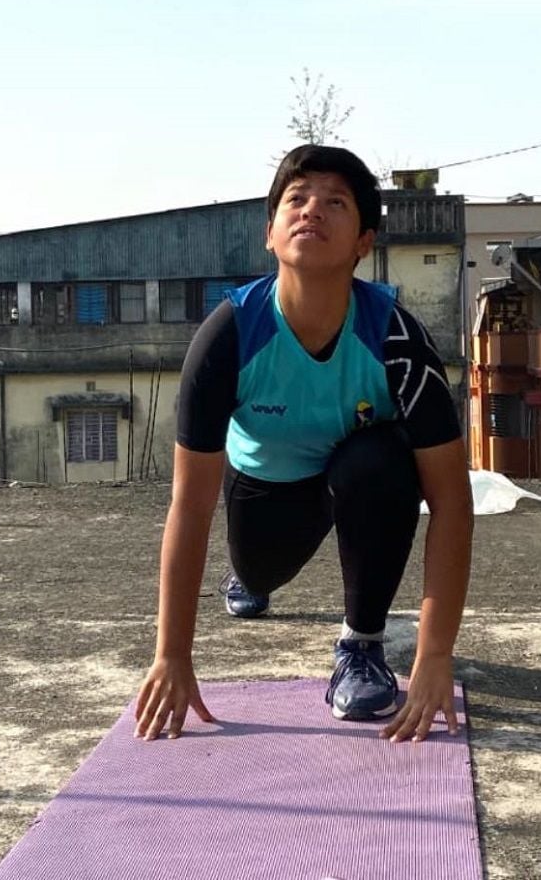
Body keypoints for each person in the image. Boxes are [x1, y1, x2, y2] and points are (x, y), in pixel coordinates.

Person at [134, 144, 473, 744]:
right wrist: (173, 655)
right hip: (269, 489)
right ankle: (250, 581)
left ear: (364, 241)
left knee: (380, 460)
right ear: (270, 233)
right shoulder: (230, 336)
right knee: (260, 571)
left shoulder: (397, 340)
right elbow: (189, 504)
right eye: (297, 198)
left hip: (356, 474)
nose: (312, 210)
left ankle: (362, 644)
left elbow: (451, 501)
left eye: (335, 202)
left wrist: (434, 654)